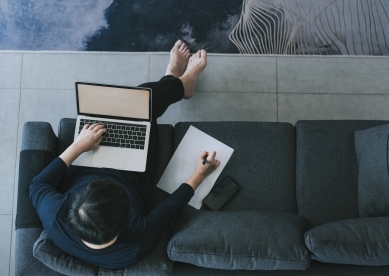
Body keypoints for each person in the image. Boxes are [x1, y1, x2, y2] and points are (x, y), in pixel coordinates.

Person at [29, 40, 220, 269]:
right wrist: (200, 173)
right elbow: (169, 208)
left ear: (73, 207)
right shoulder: (135, 244)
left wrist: (79, 145)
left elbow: (37, 184)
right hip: (134, 173)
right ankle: (179, 83)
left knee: (134, 102)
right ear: (124, 220)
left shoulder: (54, 214)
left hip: (87, 156)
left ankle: (175, 82)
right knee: (139, 104)